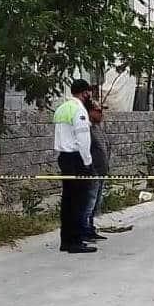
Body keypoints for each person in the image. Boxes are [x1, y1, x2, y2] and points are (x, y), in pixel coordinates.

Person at [53, 79, 96, 253]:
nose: (90, 95)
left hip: (64, 158)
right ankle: (76, 242)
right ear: (85, 92)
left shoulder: (62, 108)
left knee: (68, 201)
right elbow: (83, 139)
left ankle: (66, 240)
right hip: (77, 160)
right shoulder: (79, 110)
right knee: (79, 201)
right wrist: (88, 163)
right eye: (89, 92)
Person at [81, 99, 109, 242]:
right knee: (89, 203)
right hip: (92, 172)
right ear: (90, 112)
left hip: (101, 171)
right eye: (98, 111)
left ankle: (90, 228)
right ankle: (83, 230)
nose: (101, 114)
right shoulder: (86, 129)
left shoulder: (98, 128)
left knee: (96, 203)